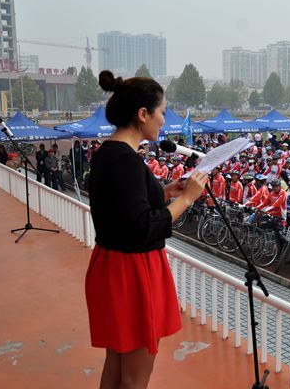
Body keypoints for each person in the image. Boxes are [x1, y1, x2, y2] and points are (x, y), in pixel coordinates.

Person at [86, 70, 208, 388]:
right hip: (133, 272)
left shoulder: (108, 154)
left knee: (116, 364)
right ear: (143, 114)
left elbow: (124, 207)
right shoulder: (126, 160)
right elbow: (142, 226)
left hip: (112, 266)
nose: (164, 121)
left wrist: (165, 191)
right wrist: (188, 199)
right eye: (162, 112)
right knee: (135, 378)